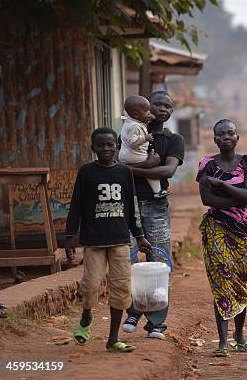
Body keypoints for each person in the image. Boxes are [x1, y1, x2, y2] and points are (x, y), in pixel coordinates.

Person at [66, 127, 151, 352]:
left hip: (120, 240)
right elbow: (76, 205)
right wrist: (69, 235)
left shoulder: (124, 172)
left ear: (117, 147)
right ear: (93, 148)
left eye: (110, 144)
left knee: (121, 288)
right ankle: (86, 316)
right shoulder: (86, 172)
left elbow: (132, 207)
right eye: (101, 145)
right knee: (91, 286)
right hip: (93, 241)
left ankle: (113, 339)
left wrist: (140, 236)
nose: (105, 148)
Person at [197, 119, 247, 357]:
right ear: (215, 139)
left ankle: (240, 335)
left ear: (237, 138)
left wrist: (219, 184)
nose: (226, 137)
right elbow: (208, 201)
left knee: (238, 282)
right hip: (216, 227)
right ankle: (222, 342)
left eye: (230, 133)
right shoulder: (206, 164)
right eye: (221, 134)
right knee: (221, 282)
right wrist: (239, 197)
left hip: (243, 231)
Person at [122, 91, 184, 340]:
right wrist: (147, 167)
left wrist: (131, 170)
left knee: (159, 262)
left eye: (168, 106)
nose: (162, 109)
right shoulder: (129, 132)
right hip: (127, 206)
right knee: (126, 261)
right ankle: (133, 311)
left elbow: (168, 171)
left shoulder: (173, 139)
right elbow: (114, 164)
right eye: (157, 104)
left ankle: (157, 322)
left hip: (156, 206)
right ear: (145, 108)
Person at [118, 95, 167, 198]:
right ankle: (157, 191)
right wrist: (145, 138)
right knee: (152, 166)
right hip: (133, 155)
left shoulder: (131, 121)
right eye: (146, 110)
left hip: (126, 154)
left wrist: (148, 116)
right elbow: (132, 142)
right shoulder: (134, 126)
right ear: (136, 114)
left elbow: (147, 119)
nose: (149, 113)